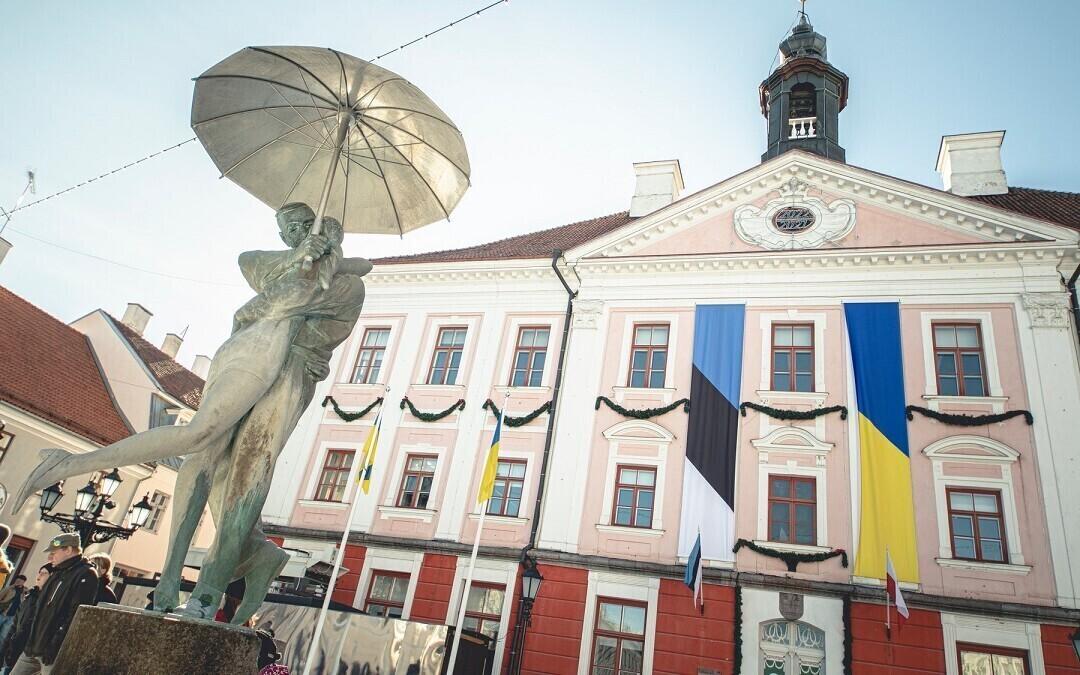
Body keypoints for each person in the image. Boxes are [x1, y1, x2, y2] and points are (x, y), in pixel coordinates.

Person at [8, 534, 97, 675]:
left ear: (68, 550)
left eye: (54, 553)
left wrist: (55, 644)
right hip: (32, 647)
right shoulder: (56, 573)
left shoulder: (86, 574)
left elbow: (76, 615)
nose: (50, 557)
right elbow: (39, 608)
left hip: (52, 652)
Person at [0, 566, 50, 675]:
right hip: (6, 618)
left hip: (26, 652)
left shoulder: (29, 593)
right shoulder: (29, 595)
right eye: (39, 572)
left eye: (44, 573)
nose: (39, 575)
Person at [0, 576, 25, 646]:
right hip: (2, 614)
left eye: (20, 581)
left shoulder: (24, 591)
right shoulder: (10, 589)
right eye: (17, 581)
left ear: (23, 582)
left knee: (3, 637)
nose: (18, 582)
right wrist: (11, 586)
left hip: (12, 617)